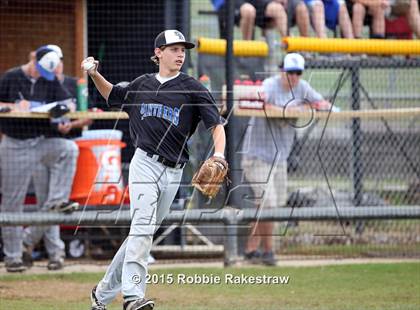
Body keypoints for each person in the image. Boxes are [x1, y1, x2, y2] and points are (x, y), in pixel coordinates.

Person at [84, 29, 226, 310]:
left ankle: (101, 295)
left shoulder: (193, 88)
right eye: (174, 49)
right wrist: (93, 74)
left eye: (183, 50)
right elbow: (112, 94)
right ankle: (133, 298)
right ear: (158, 53)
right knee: (142, 229)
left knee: (141, 232)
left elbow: (216, 125)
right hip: (144, 164)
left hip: (174, 172)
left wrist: (219, 154)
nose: (180, 54)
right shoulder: (141, 84)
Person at [241, 53, 332, 266]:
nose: (294, 77)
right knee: (268, 204)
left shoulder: (301, 88)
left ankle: (250, 250)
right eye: (290, 72)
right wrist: (291, 109)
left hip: (279, 156)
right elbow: (258, 102)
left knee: (268, 205)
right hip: (257, 155)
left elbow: (322, 104)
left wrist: (310, 107)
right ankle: (268, 252)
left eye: (298, 73)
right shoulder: (270, 85)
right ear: (282, 70)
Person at [0, 46, 80, 272]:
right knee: (12, 203)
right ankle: (13, 257)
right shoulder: (11, 77)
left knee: (68, 149)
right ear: (33, 59)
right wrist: (12, 107)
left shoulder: (51, 78)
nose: (43, 77)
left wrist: (61, 110)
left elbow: (69, 103)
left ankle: (56, 200)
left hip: (41, 141)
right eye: (41, 70)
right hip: (14, 144)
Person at [21, 45, 92, 271]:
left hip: (65, 149)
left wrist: (70, 124)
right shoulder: (39, 84)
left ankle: (28, 241)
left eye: (58, 59)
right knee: (49, 203)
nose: (56, 64)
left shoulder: (73, 84)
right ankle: (55, 254)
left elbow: (87, 116)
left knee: (54, 202)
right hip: (41, 146)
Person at [214, 0, 288, 39]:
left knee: (278, 9)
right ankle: (247, 55)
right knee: (248, 11)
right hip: (229, 2)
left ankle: (292, 54)